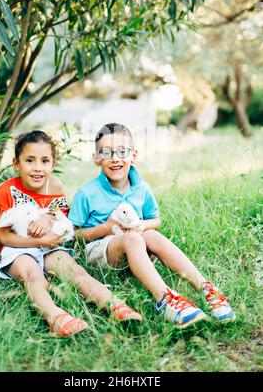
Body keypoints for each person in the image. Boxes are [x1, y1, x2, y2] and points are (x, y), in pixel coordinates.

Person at [68, 123, 236, 329]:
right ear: (96, 158)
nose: (115, 158)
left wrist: (140, 225)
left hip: (137, 245)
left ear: (134, 155)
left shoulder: (141, 188)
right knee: (133, 238)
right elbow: (73, 235)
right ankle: (165, 299)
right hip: (101, 251)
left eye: (122, 151)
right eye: (106, 152)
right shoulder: (87, 192)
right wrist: (107, 228)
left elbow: (155, 221)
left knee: (150, 235)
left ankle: (206, 288)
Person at [0, 130, 142, 338]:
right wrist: (37, 240)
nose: (38, 168)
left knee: (75, 271)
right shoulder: (7, 190)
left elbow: (61, 216)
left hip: (50, 246)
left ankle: (115, 305)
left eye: (44, 161)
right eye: (30, 161)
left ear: (53, 163)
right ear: (16, 164)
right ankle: (56, 318)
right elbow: (3, 237)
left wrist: (47, 217)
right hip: (18, 249)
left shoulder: (54, 185)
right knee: (33, 276)